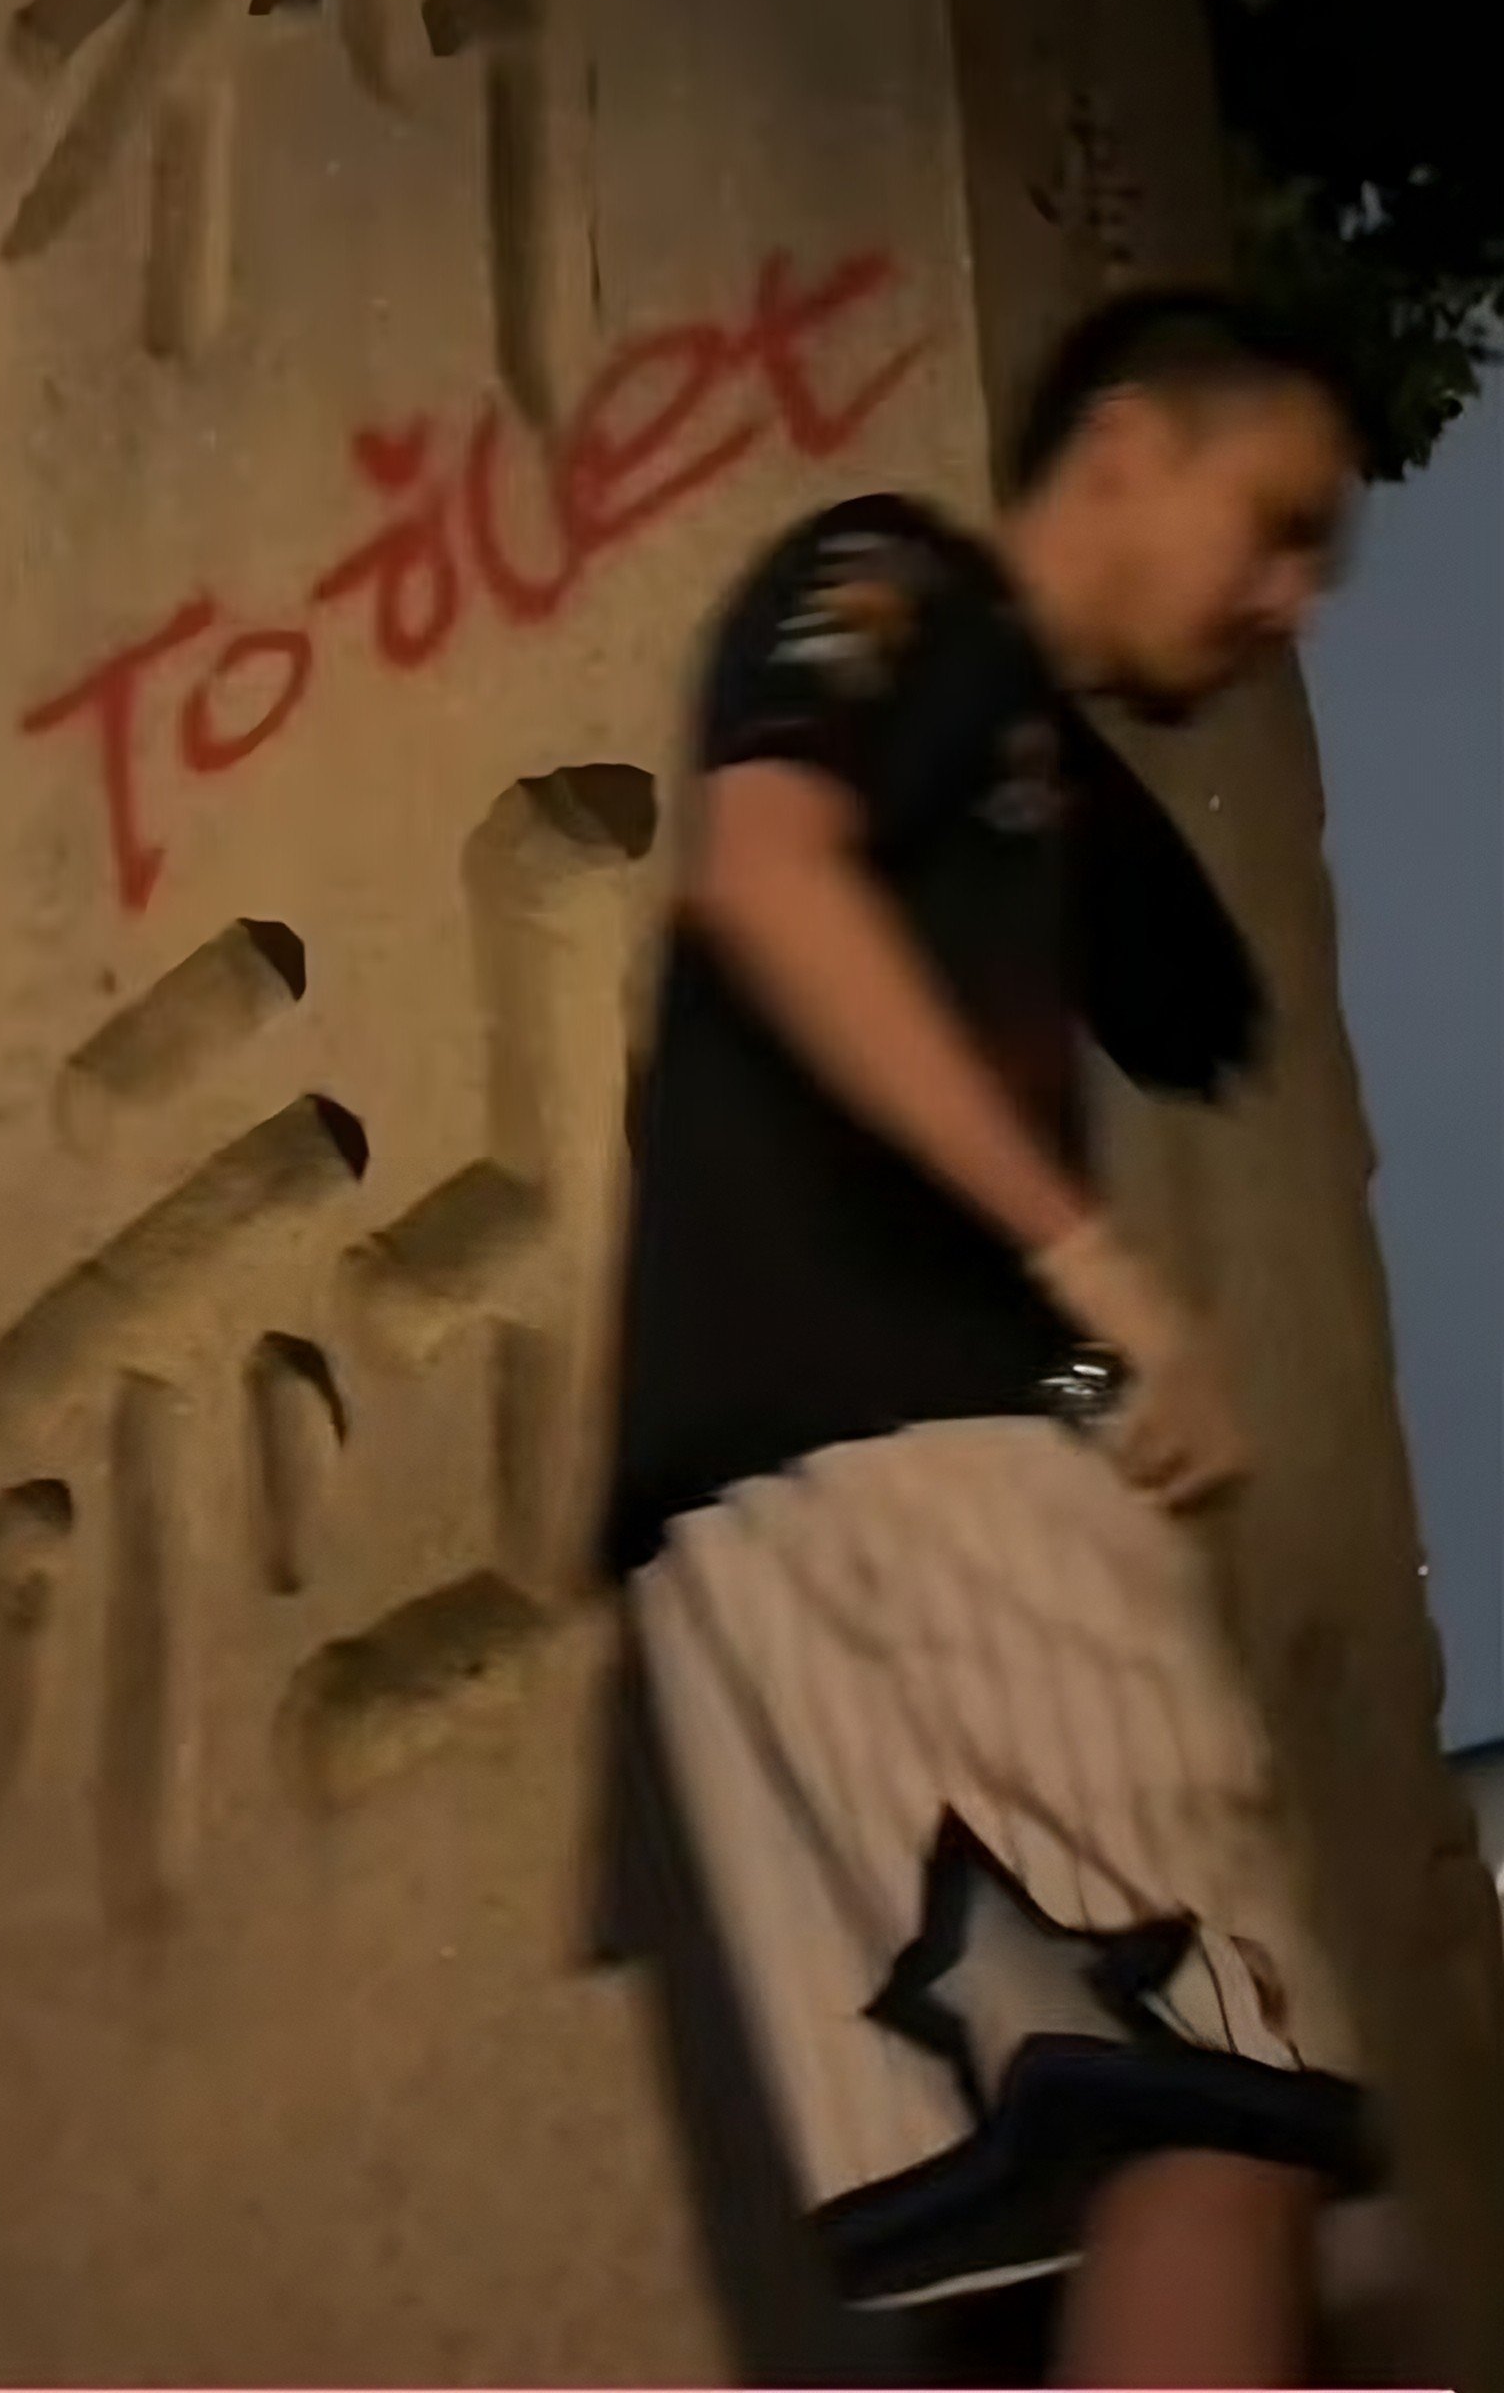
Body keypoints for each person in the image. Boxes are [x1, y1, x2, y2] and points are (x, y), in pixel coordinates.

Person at [597, 288, 1381, 2388]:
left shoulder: (1030, 742)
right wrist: (1099, 1271)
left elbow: (1166, 971)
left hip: (786, 1520)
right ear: (1118, 446)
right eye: (1273, 520)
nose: (1290, 594)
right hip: (921, 1455)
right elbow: (762, 869)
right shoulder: (897, 580)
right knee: (1223, 2126)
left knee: (1047, 2218)